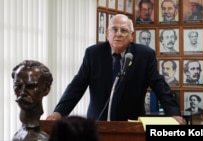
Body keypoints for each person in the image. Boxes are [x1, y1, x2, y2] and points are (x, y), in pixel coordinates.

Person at [46, 14, 186, 124]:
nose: (118, 34)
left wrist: (174, 114)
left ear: (131, 36)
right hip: (98, 123)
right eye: (114, 29)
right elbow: (77, 86)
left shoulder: (144, 55)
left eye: (124, 30)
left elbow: (160, 86)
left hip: (131, 125)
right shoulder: (93, 54)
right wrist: (59, 113)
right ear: (107, 33)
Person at [12, 60, 53, 141]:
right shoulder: (19, 135)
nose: (22, 92)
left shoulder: (42, 139)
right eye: (18, 86)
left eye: (30, 86)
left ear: (46, 89)